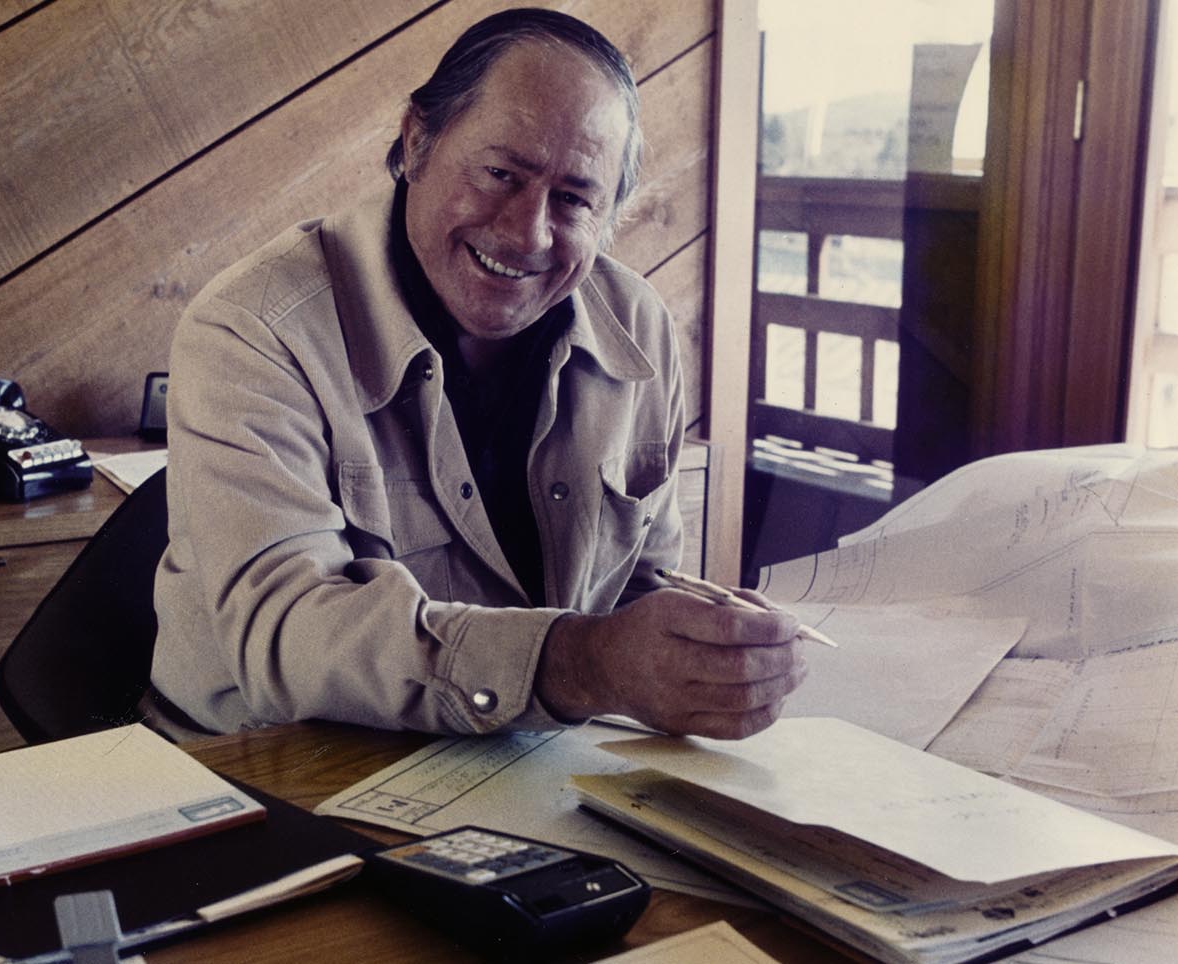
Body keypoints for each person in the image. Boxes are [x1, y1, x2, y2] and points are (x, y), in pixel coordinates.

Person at [150, 8, 806, 741]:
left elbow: (640, 589)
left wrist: (703, 653)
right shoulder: (253, 328)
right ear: (416, 141)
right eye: (500, 174)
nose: (528, 233)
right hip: (260, 764)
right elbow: (284, 635)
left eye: (573, 199)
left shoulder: (638, 324)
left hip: (518, 760)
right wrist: (585, 663)